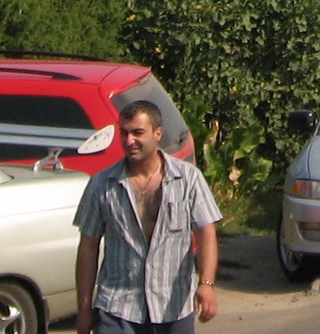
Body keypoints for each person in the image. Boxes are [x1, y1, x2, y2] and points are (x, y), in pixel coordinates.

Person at [73, 100, 222, 334]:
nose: (129, 140)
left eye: (138, 133)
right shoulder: (102, 184)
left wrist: (206, 284)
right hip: (118, 308)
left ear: (158, 134)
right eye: (124, 133)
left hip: (172, 307)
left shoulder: (188, 179)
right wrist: (83, 309)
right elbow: (88, 247)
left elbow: (206, 233)